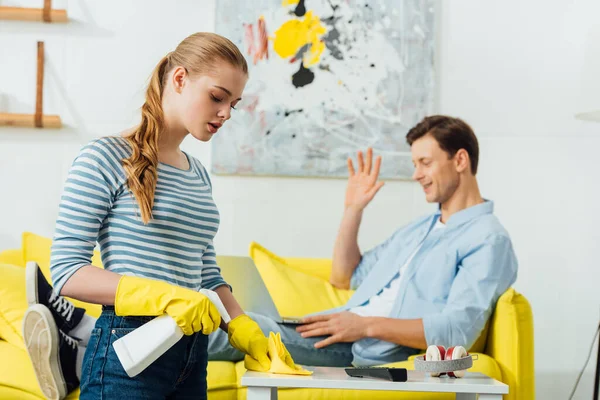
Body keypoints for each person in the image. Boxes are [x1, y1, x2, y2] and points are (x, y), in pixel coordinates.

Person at [25, 114, 518, 397]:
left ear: (461, 160)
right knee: (234, 322)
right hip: (342, 329)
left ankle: (87, 340)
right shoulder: (422, 228)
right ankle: (87, 342)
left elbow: (458, 329)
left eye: (425, 163)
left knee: (232, 324)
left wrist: (363, 326)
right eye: (414, 164)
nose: (417, 175)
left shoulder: (487, 240)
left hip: (366, 349)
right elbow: (347, 274)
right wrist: (352, 212)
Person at [21, 32, 298, 400]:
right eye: (217, 97)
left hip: (191, 354)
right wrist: (165, 296)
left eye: (234, 103)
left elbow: (205, 271)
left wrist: (240, 324)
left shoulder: (197, 174)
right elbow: (68, 272)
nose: (226, 113)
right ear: (180, 79)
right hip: (128, 350)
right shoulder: (105, 158)